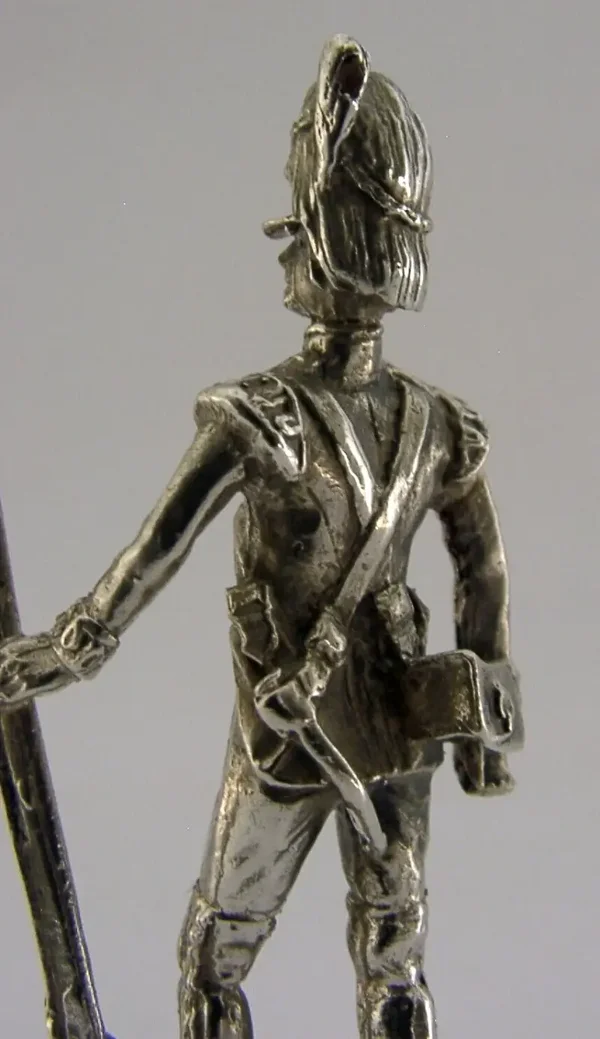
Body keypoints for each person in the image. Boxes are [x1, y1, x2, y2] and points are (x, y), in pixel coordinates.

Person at [0, 35, 520, 1039]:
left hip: (291, 731)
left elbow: (154, 553)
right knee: (395, 958)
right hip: (396, 730)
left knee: (216, 957)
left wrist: (68, 649)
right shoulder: (438, 427)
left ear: (318, 239)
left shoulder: (262, 419)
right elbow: (482, 567)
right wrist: (487, 716)